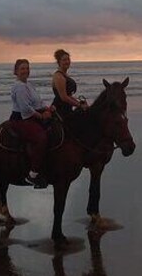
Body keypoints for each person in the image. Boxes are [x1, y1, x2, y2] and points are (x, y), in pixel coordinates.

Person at [10, 59, 54, 188]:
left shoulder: (29, 84)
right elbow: (25, 108)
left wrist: (47, 108)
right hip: (21, 120)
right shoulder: (19, 87)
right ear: (16, 71)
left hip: (31, 116)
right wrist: (41, 115)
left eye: (27, 68)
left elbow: (37, 102)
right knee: (41, 138)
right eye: (22, 69)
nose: (25, 71)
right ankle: (33, 174)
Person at [51, 49, 88, 119]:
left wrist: (79, 104)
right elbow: (64, 97)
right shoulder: (59, 76)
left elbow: (69, 95)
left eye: (68, 59)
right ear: (59, 62)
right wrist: (79, 106)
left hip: (67, 108)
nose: (67, 62)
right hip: (60, 110)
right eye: (64, 60)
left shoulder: (65, 75)